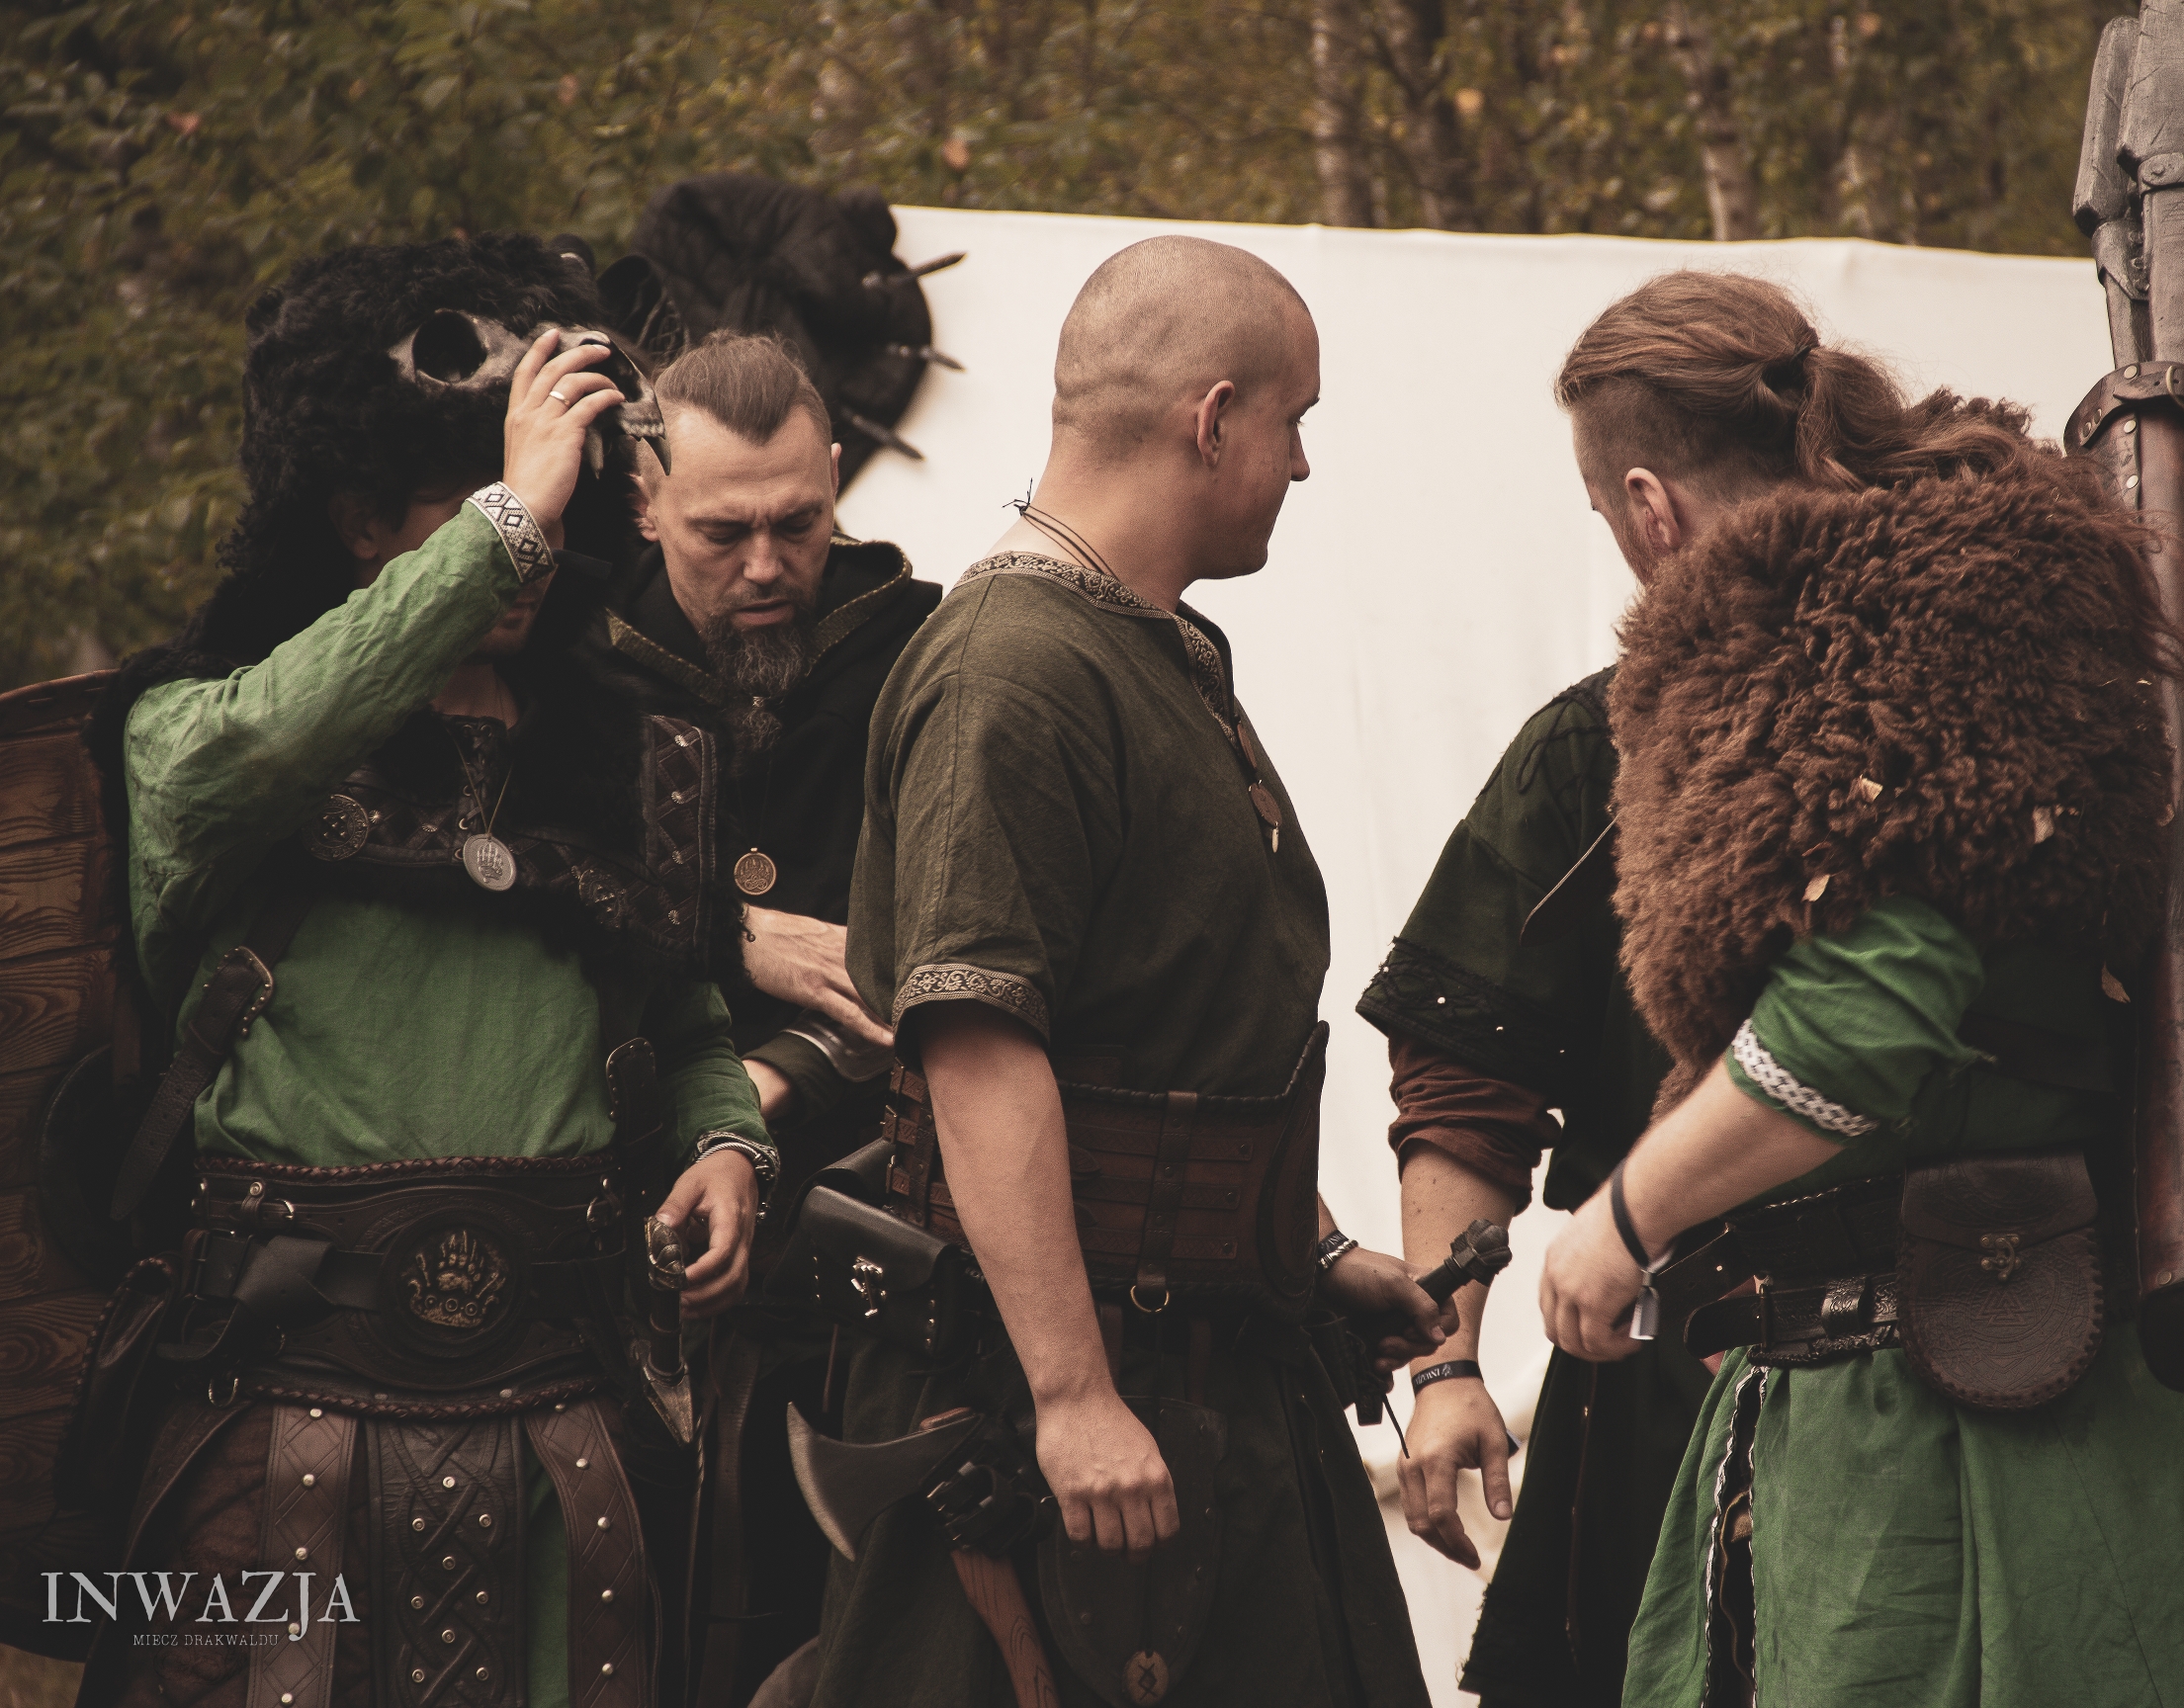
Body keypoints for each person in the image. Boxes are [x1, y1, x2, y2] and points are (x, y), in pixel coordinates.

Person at [1534, 271, 2184, 1707]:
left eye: (1607, 517)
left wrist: (1622, 1221)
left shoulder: (1881, 639)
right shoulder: (1936, 620)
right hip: (1896, 1390)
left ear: (1649, 507)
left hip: (1967, 1434)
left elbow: (1860, 1025)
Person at [74, 235, 774, 1708]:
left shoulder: (639, 753)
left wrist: (726, 1143)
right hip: (272, 1403)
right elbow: (261, 739)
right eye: (468, 500)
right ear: (351, 516)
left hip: (567, 1413)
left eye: (548, 502)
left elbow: (687, 1017)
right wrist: (504, 524)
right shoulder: (196, 733)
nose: (529, 539)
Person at [804, 235, 1438, 1708]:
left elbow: (1171, 1040)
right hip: (1061, 1402)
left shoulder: (1150, 648)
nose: (1302, 464)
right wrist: (1073, 1393)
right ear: (1213, 420)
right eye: (1294, 422)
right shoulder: (1013, 670)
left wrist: (1312, 1251)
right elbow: (978, 1048)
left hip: (1210, 1359)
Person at [581, 327, 939, 1705]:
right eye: (723, 532)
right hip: (597, 1201)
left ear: (838, 475)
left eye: (798, 521)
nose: (768, 565)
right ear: (645, 501)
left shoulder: (922, 654)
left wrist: (762, 1093)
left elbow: (915, 958)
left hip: (848, 1229)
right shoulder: (569, 668)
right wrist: (725, 937)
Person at [1355, 672, 1692, 1697]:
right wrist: (1447, 1368)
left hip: (1993, 1344)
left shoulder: (2024, 700)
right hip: (1663, 1366)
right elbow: (1472, 1071)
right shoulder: (1605, 738)